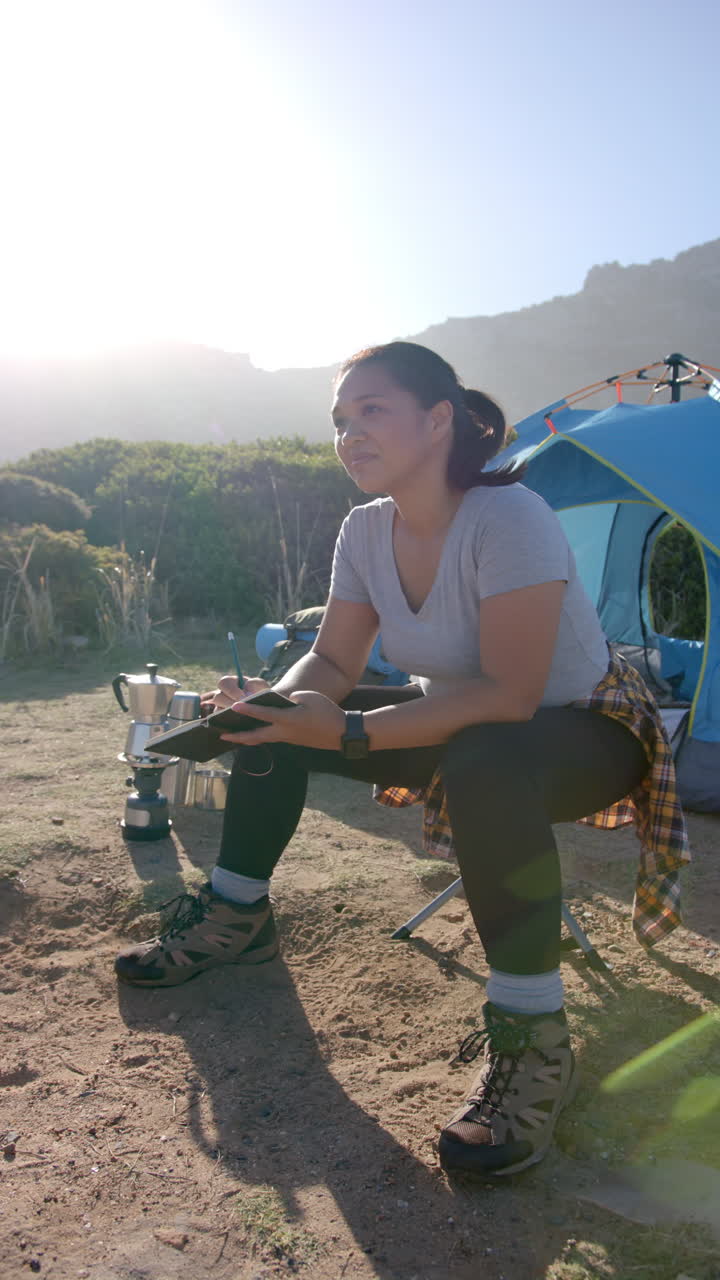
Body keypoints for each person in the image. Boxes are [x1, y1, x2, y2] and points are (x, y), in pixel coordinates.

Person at [115, 341, 687, 1177]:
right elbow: (335, 663)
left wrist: (344, 734)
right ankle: (237, 917)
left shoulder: (509, 516)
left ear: (438, 420)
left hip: (584, 729)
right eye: (340, 421)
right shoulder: (366, 529)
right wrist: (292, 699)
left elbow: (511, 695)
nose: (350, 434)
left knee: (485, 757)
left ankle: (535, 1041)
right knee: (270, 723)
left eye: (371, 411)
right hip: (466, 724)